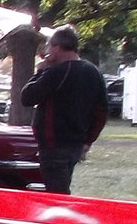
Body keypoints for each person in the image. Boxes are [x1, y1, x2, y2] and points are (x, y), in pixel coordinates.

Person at [20, 24, 108, 193]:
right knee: (60, 186)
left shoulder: (57, 72)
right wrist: (88, 141)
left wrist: (40, 72)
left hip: (54, 145)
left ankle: (61, 218)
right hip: (75, 144)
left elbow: (27, 97)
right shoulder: (93, 72)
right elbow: (101, 112)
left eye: (49, 46)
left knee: (57, 193)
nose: (47, 51)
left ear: (57, 48)